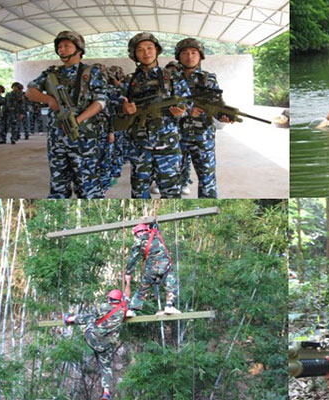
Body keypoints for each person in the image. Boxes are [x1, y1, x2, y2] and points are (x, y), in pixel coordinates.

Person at [26, 31, 108, 198]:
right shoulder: (52, 73)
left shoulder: (92, 72)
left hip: (84, 137)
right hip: (57, 137)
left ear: (79, 49)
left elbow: (100, 102)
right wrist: (49, 100)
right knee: (58, 184)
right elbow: (30, 92)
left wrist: (78, 120)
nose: (62, 50)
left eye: (66, 46)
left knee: (87, 185)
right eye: (59, 47)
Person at [118, 32, 192, 198]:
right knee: (139, 194)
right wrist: (124, 109)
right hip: (139, 146)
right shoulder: (129, 81)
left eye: (150, 48)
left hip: (168, 146)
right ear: (134, 54)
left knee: (172, 194)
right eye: (140, 50)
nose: (146, 53)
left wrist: (181, 110)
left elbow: (187, 100)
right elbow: (116, 106)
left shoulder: (172, 76)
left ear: (157, 50)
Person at [165, 37, 232, 198]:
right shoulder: (168, 78)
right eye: (185, 53)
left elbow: (216, 104)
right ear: (178, 56)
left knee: (207, 181)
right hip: (175, 136)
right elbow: (162, 104)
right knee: (172, 183)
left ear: (200, 55)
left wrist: (223, 115)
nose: (189, 56)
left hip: (202, 137)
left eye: (194, 53)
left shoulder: (208, 78)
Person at [64, 277, 132, 400]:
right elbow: (127, 296)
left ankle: (69, 319)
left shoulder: (103, 307)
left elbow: (93, 316)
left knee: (89, 317)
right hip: (105, 345)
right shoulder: (123, 310)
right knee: (106, 367)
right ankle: (106, 393)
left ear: (109, 299)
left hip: (92, 338)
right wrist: (128, 282)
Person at [125, 222, 180, 315]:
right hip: (165, 266)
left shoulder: (139, 242)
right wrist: (151, 222)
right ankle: (169, 306)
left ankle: (132, 309)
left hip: (151, 269)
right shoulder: (156, 234)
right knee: (171, 284)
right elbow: (155, 226)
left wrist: (128, 272)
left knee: (143, 288)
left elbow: (132, 258)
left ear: (138, 233)